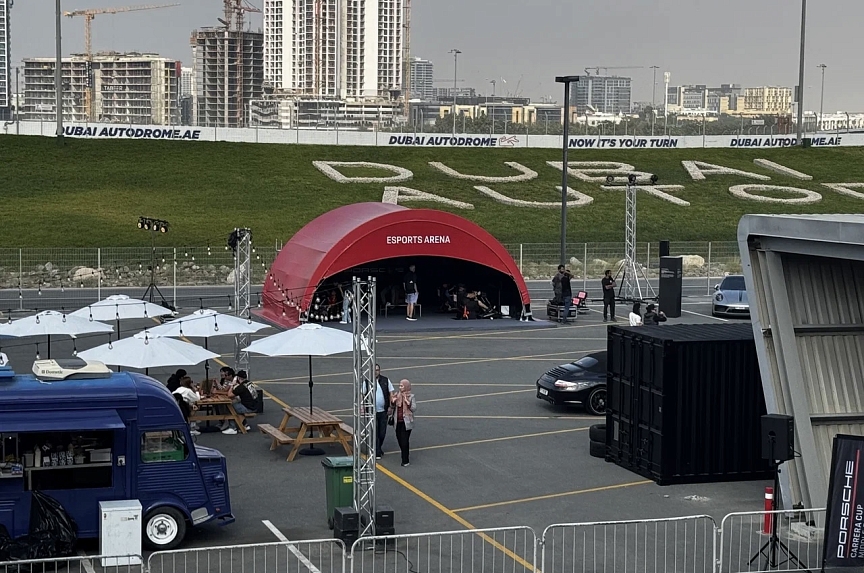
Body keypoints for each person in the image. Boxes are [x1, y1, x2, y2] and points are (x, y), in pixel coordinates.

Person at [222, 370, 257, 435]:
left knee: (230, 406)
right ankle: (245, 425)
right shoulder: (249, 383)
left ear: (238, 378)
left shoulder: (241, 387)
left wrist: (232, 385)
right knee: (237, 404)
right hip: (254, 406)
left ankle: (232, 428)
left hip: (248, 408)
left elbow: (229, 395)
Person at [390, 379, 416, 467]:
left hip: (406, 422)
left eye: (402, 386)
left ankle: (405, 459)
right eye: (400, 386)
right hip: (398, 421)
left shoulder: (411, 396)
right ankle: (404, 452)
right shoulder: (397, 395)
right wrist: (392, 402)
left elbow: (413, 408)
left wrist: (407, 402)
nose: (400, 387)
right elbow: (392, 407)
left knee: (404, 441)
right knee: (399, 439)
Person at [373, 364, 395, 459]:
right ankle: (377, 451)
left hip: (383, 411)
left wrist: (390, 406)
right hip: (372, 412)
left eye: (377, 370)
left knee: (382, 432)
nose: (375, 372)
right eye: (374, 370)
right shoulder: (367, 381)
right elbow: (362, 393)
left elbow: (391, 393)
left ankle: (378, 447)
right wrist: (362, 406)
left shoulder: (386, 380)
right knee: (375, 431)